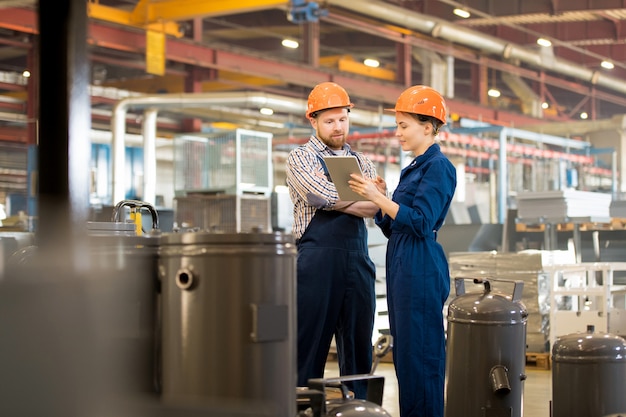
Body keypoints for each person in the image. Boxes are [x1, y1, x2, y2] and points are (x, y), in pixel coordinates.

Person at [348, 85, 457, 417]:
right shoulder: (414, 167)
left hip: (420, 266)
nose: (398, 133)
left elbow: (422, 222)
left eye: (404, 125)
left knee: (422, 357)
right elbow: (396, 225)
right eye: (397, 125)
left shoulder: (438, 167)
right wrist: (383, 201)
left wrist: (379, 198)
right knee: (407, 357)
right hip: (402, 261)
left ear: (428, 127)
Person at [285, 81, 380, 399]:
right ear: (313, 120)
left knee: (358, 345)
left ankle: (358, 405)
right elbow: (316, 194)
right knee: (308, 342)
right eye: (329, 121)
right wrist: (361, 198)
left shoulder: (363, 161)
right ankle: (302, 404)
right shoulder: (300, 157)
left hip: (358, 260)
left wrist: (347, 198)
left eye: (342, 119)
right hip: (317, 262)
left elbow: (377, 204)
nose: (337, 127)